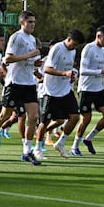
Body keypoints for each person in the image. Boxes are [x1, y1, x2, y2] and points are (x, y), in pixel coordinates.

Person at [0, 10, 42, 165]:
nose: (32, 25)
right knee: (4, 116)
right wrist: (29, 55)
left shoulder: (32, 39)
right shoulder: (16, 37)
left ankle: (27, 151)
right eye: (29, 22)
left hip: (28, 82)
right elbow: (8, 58)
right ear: (22, 23)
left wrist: (36, 62)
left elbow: (31, 60)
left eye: (34, 22)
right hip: (14, 82)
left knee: (34, 117)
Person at [32, 29, 85, 160]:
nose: (75, 47)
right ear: (69, 39)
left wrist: (71, 75)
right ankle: (37, 148)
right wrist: (64, 73)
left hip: (65, 90)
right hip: (51, 91)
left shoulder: (72, 51)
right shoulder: (57, 48)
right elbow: (46, 69)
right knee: (45, 122)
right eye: (74, 44)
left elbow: (68, 68)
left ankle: (60, 143)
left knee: (74, 117)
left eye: (77, 46)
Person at [71, 25, 104, 156]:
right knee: (86, 119)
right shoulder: (88, 49)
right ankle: (74, 146)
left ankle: (88, 138)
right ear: (98, 36)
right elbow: (83, 71)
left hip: (99, 89)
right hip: (86, 89)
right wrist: (101, 71)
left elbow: (102, 69)